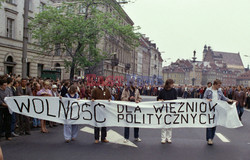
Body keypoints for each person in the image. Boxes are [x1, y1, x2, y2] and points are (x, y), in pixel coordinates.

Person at [203, 79, 236, 145]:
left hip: (217, 110)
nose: (219, 86)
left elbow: (224, 98)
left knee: (214, 124)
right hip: (209, 109)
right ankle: (209, 139)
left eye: (220, 85)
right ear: (214, 84)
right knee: (209, 124)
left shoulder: (219, 91)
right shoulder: (208, 90)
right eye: (218, 85)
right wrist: (207, 100)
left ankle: (211, 138)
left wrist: (231, 101)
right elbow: (203, 98)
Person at [157, 79, 177, 144]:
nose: (173, 85)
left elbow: (175, 99)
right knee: (163, 124)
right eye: (172, 83)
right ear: (168, 84)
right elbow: (158, 98)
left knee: (169, 124)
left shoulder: (174, 91)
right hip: (164, 109)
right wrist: (160, 100)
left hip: (171, 109)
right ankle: (163, 138)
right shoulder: (162, 91)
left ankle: (169, 138)